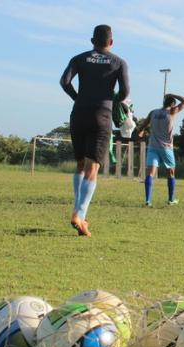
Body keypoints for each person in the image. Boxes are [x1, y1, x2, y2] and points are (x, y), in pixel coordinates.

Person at [60, 24, 129, 237]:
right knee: (93, 168)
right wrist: (112, 102)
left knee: (80, 164)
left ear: (92, 41)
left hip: (78, 114)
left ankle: (80, 214)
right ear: (111, 42)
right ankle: (79, 214)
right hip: (102, 115)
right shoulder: (119, 62)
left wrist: (76, 97)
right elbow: (125, 92)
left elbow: (64, 82)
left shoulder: (79, 58)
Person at [137, 93, 184, 207]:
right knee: (171, 173)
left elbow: (143, 124)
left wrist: (140, 131)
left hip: (153, 147)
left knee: (150, 174)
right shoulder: (172, 111)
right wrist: (172, 94)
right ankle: (171, 199)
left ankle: (148, 201)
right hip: (166, 148)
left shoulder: (153, 112)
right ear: (172, 104)